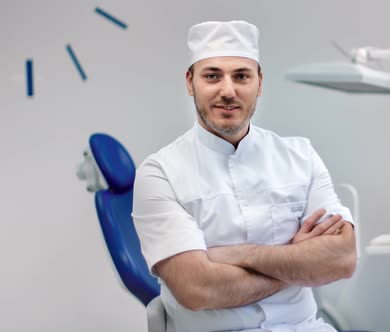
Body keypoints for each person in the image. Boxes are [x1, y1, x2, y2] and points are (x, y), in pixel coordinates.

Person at [132, 20, 357, 332]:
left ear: (260, 83)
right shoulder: (160, 173)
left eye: (241, 76)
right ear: (190, 82)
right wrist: (297, 262)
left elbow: (342, 260)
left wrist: (240, 255)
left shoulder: (301, 157)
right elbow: (197, 290)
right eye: (212, 76)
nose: (228, 91)